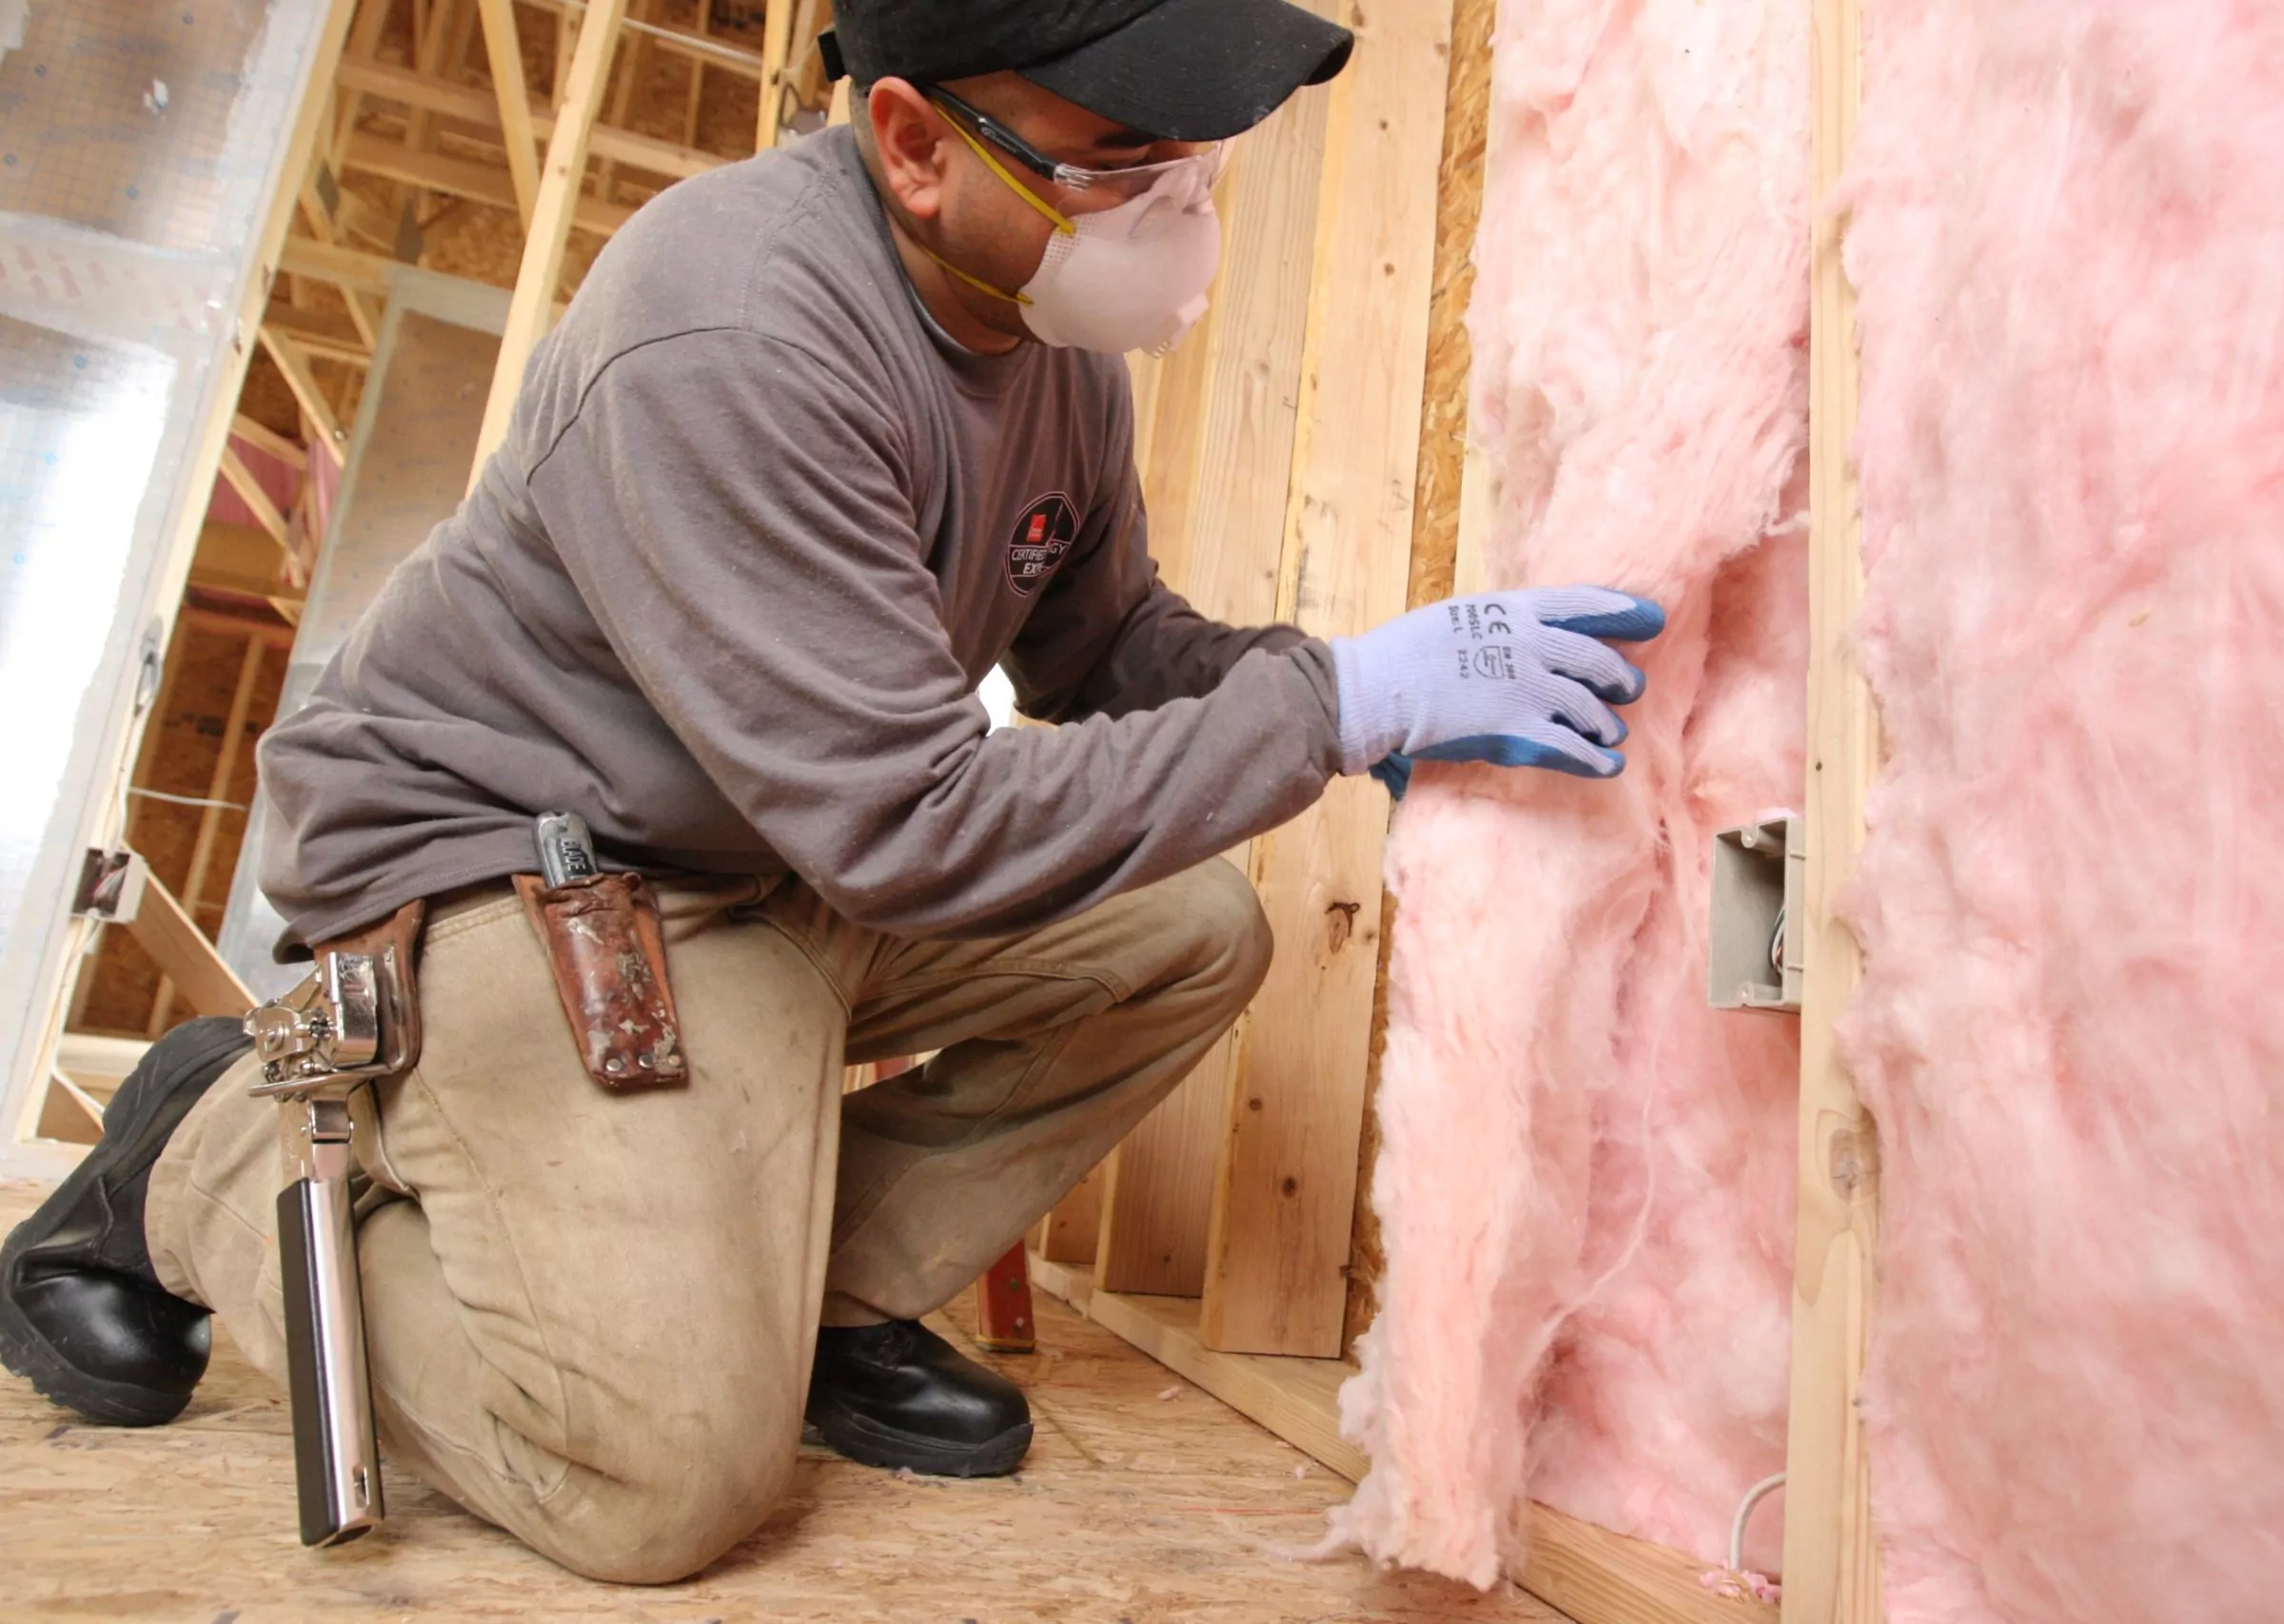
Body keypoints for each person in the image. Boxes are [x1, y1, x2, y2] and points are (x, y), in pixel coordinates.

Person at [0, 0, 1664, 1584]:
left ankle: (811, 1301)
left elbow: (1109, 647)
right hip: (522, 865)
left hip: (789, 847)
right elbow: (915, 827)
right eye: (1120, 162)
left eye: (1202, 162)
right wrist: (1336, 704)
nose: (1179, 207)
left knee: (1189, 928)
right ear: (912, 144)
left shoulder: (1045, 326)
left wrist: (1378, 701)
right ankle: (202, 1160)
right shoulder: (727, 333)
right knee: (651, 1476)